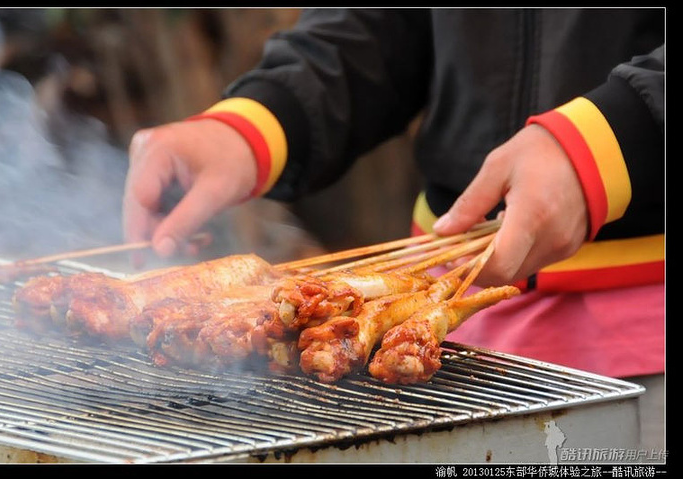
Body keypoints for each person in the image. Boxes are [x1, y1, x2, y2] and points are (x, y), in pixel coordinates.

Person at [122, 9, 665, 455]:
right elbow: (385, 23)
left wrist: (614, 139)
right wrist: (258, 120)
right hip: (445, 339)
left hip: (650, 344)